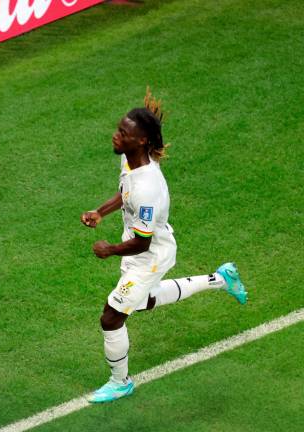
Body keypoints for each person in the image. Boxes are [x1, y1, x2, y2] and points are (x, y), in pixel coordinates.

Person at [80, 91, 247, 402]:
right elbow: (124, 192)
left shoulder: (148, 188)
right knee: (141, 301)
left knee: (111, 316)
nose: (116, 137)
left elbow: (141, 244)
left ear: (141, 141)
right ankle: (221, 279)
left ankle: (121, 382)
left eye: (123, 133)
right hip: (146, 249)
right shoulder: (131, 160)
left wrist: (109, 249)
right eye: (118, 130)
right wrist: (100, 212)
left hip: (150, 255)